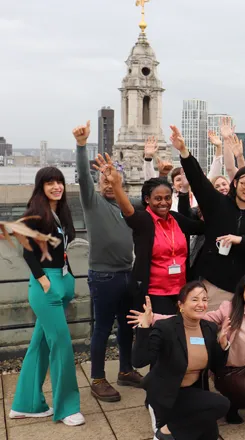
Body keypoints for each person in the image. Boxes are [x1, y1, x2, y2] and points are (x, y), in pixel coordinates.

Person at [132, 274, 245, 426]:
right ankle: (234, 401)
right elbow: (195, 317)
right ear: (242, 293)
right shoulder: (229, 309)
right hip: (231, 372)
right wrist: (152, 318)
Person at [73, 121, 143, 402]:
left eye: (112, 177)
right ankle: (98, 378)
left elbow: (155, 198)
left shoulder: (130, 206)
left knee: (127, 326)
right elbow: (82, 177)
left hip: (128, 272)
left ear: (121, 182)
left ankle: (125, 370)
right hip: (104, 276)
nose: (107, 181)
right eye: (102, 177)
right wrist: (81, 146)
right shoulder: (93, 203)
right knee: (102, 328)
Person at [8, 167, 83, 426]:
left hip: (59, 282)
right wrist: (44, 282)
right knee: (61, 346)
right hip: (46, 287)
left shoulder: (58, 213)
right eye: (50, 182)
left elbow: (62, 252)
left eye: (59, 182)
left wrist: (69, 279)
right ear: (41, 186)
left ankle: (25, 404)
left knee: (39, 346)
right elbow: (27, 251)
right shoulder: (35, 213)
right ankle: (67, 408)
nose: (56, 186)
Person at [172, 125, 245, 310]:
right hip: (212, 285)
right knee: (208, 332)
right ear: (235, 183)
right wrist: (184, 151)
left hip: (243, 291)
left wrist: (241, 240)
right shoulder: (217, 204)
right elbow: (198, 180)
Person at [99, 154, 204, 315]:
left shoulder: (176, 219)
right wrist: (116, 185)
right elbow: (128, 210)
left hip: (181, 292)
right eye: (158, 198)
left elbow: (203, 227)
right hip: (153, 293)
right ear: (147, 199)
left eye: (167, 198)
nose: (164, 203)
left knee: (179, 336)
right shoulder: (144, 220)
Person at [131, 282, 231, 440]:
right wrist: (144, 327)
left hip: (191, 392)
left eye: (204, 300)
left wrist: (223, 346)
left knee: (209, 434)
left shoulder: (209, 328)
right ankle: (165, 431)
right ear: (181, 305)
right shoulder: (166, 328)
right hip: (166, 393)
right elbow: (139, 361)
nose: (201, 304)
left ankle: (170, 430)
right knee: (222, 404)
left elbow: (218, 369)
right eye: (195, 300)